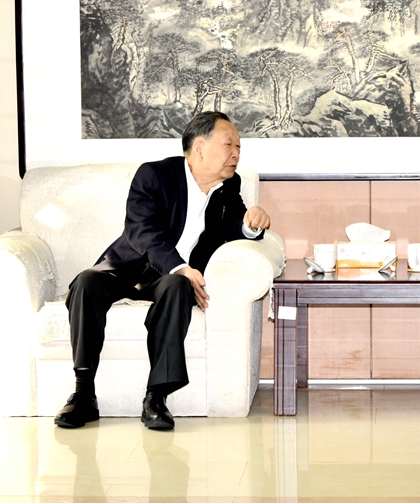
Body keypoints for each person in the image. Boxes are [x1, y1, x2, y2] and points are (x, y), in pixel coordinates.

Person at [54, 111, 271, 430]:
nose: (236, 153)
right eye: (229, 144)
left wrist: (252, 223)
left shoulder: (229, 186)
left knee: (178, 286)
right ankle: (84, 394)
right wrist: (180, 266)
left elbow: (235, 226)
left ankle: (156, 398)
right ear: (200, 148)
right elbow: (142, 230)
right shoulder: (155, 175)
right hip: (129, 267)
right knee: (86, 282)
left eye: (239, 146)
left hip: (170, 280)